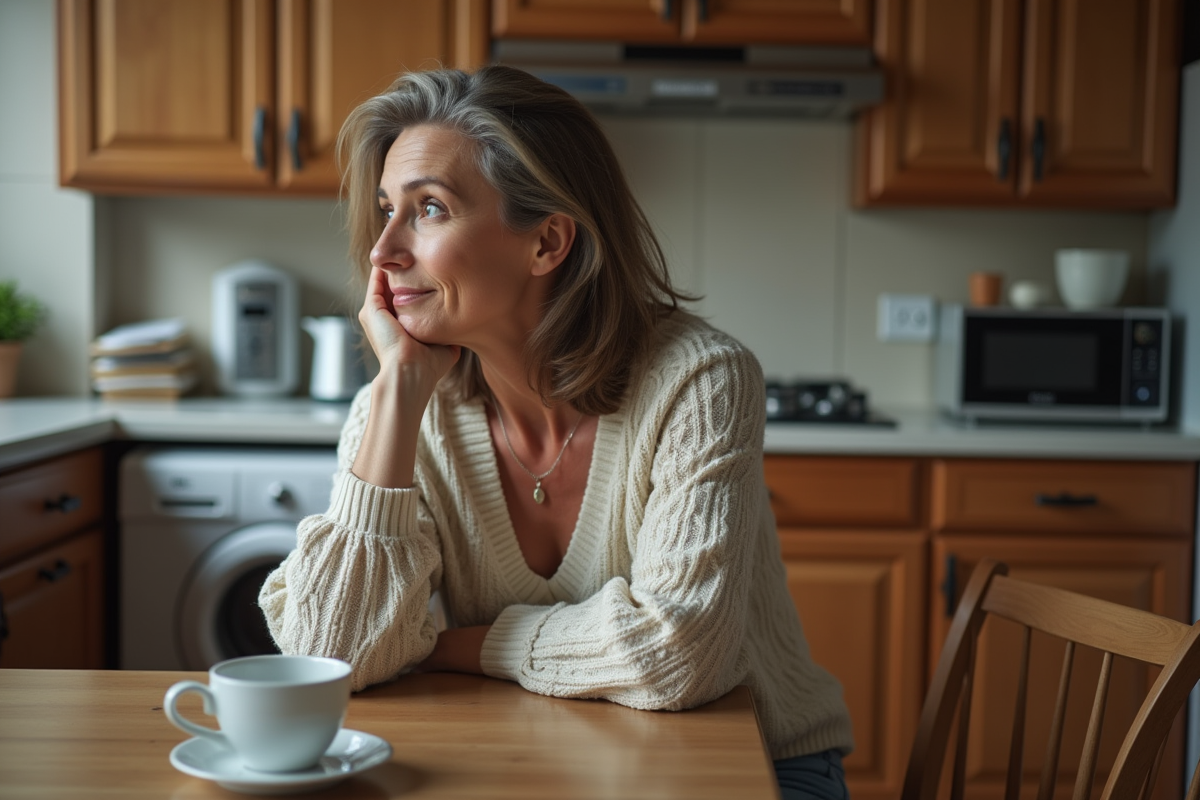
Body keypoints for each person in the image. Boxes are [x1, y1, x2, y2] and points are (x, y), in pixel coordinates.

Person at [259, 65, 853, 800]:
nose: (382, 252)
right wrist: (395, 397)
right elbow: (331, 656)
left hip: (759, 766)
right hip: (536, 758)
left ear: (547, 243)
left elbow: (678, 656)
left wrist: (456, 647)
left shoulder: (700, 382)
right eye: (386, 210)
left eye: (430, 209)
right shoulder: (407, 407)